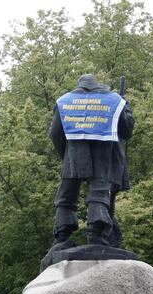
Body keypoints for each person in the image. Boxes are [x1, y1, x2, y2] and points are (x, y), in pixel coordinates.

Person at [48, 74, 135, 247]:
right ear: (97, 85)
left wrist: (65, 154)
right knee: (99, 193)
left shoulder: (65, 101)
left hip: (73, 155)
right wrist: (126, 109)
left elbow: (55, 134)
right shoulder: (114, 101)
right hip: (105, 157)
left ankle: (62, 235)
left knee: (66, 195)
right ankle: (98, 236)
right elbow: (127, 131)